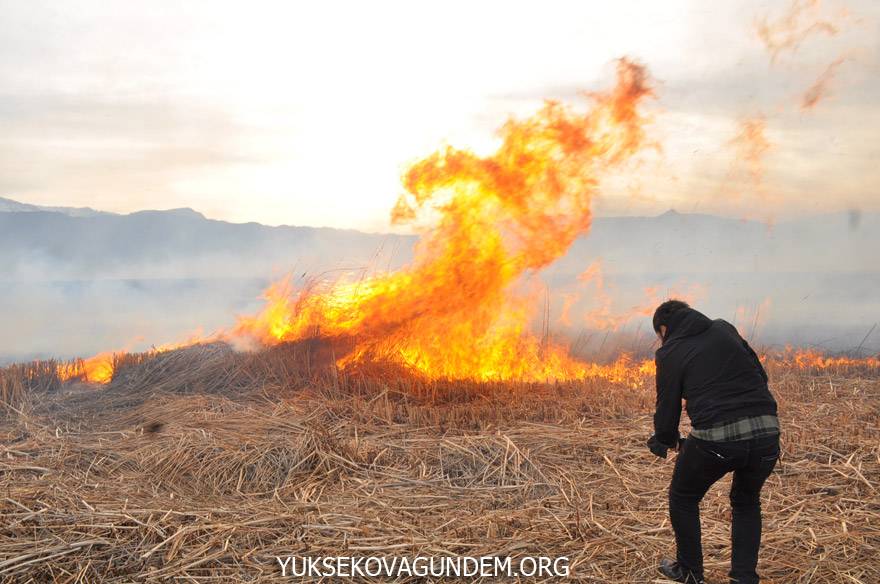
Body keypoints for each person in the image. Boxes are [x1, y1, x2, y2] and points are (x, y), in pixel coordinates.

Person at [647, 300, 780, 584]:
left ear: (664, 328)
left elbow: (667, 406)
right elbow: (760, 374)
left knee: (683, 497)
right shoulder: (724, 328)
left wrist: (664, 439)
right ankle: (744, 578)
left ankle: (690, 572)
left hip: (718, 440)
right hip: (767, 432)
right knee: (746, 502)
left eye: (659, 335)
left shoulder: (669, 351)